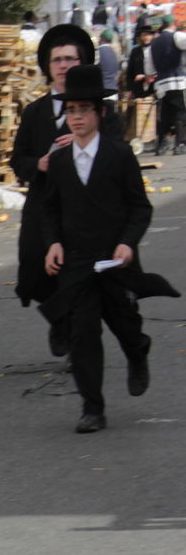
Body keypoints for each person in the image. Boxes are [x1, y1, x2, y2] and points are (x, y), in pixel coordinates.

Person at [41, 64, 168, 434]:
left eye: (84, 109)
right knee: (83, 333)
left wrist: (127, 243)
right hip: (77, 262)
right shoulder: (61, 161)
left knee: (122, 321)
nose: (76, 117)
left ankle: (137, 348)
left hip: (115, 259)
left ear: (100, 112)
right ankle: (92, 407)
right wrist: (52, 244)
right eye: (71, 110)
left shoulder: (118, 155)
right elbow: (50, 209)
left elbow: (139, 207)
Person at [11, 24, 117, 355]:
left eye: (70, 58)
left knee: (84, 272)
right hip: (45, 204)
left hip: (88, 208)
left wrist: (89, 142)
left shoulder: (102, 110)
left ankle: (81, 334)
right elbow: (18, 160)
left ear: (82, 62)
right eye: (56, 59)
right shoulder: (36, 112)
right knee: (35, 262)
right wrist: (40, 164)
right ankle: (59, 320)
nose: (63, 65)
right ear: (48, 66)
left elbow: (120, 152)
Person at [146, 19, 186, 154]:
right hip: (177, 81)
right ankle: (180, 143)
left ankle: (162, 145)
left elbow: (149, 69)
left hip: (161, 85)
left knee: (164, 115)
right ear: (173, 24)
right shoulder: (177, 36)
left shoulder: (153, 44)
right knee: (179, 113)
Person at [124, 26, 155, 141]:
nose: (146, 37)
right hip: (138, 86)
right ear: (140, 36)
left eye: (148, 34)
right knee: (136, 111)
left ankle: (152, 136)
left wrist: (150, 77)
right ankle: (136, 136)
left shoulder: (155, 49)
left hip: (153, 85)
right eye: (144, 35)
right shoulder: (135, 51)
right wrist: (129, 89)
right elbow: (130, 71)